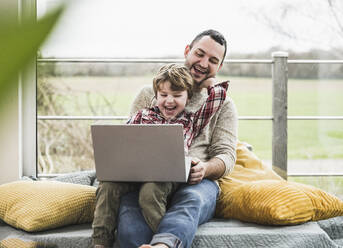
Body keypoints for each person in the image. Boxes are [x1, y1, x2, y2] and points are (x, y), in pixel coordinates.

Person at [115, 29, 238, 248]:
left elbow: (227, 155)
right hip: (148, 180)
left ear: (219, 67)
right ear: (187, 51)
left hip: (196, 183)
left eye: (213, 60)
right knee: (129, 212)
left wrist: (205, 168)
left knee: (191, 202)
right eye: (199, 54)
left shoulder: (223, 104)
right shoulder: (149, 94)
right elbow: (128, 141)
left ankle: (164, 246)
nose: (203, 63)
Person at [92, 63, 229, 247]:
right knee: (107, 186)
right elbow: (123, 140)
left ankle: (161, 241)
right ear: (155, 96)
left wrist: (209, 83)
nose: (169, 101)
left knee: (150, 192)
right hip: (136, 172)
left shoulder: (191, 120)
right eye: (163, 95)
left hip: (168, 174)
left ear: (188, 98)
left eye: (177, 96)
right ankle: (100, 242)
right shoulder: (142, 116)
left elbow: (218, 97)